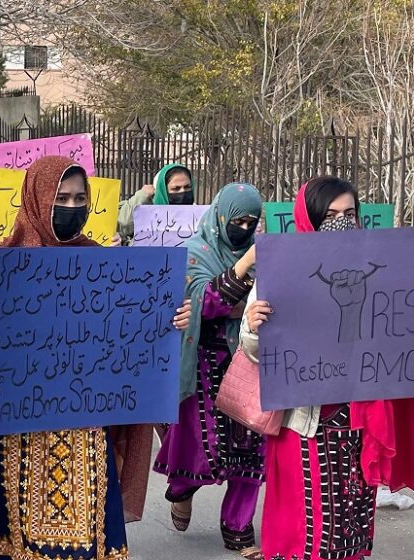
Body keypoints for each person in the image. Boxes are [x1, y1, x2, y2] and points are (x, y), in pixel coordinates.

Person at [0, 155, 192, 560]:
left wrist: (169, 319)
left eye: (80, 198)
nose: (72, 207)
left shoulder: (104, 266)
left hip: (86, 441)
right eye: (61, 197)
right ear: (38, 197)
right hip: (13, 439)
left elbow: (135, 346)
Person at [241, 176, 414, 560]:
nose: (340, 223)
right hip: (307, 425)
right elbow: (252, 350)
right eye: (330, 215)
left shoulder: (382, 271)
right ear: (309, 218)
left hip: (360, 426)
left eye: (349, 214)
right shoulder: (282, 269)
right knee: (312, 530)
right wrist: (254, 327)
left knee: (350, 524)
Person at [153, 182, 265, 557]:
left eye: (252, 221)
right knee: (201, 449)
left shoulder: (270, 254)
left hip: (250, 362)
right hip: (204, 364)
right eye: (238, 220)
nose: (245, 228)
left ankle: (239, 529)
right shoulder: (194, 252)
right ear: (220, 217)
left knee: (252, 453)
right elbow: (204, 304)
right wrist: (247, 264)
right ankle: (181, 490)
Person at [117, 164, 196, 245]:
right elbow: (124, 223)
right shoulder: (146, 211)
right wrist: (142, 196)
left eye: (187, 187)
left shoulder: (200, 218)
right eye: (176, 188)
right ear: (163, 190)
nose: (182, 192)